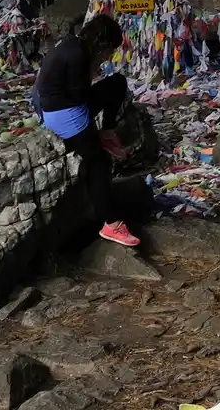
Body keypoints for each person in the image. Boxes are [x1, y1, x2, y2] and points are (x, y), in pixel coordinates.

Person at [31, 13, 140, 247]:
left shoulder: (74, 45)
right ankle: (111, 224)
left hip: (62, 104)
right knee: (97, 161)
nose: (110, 56)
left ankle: (109, 132)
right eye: (111, 50)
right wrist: (89, 134)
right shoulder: (78, 55)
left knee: (117, 83)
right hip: (61, 113)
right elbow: (78, 98)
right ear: (104, 45)